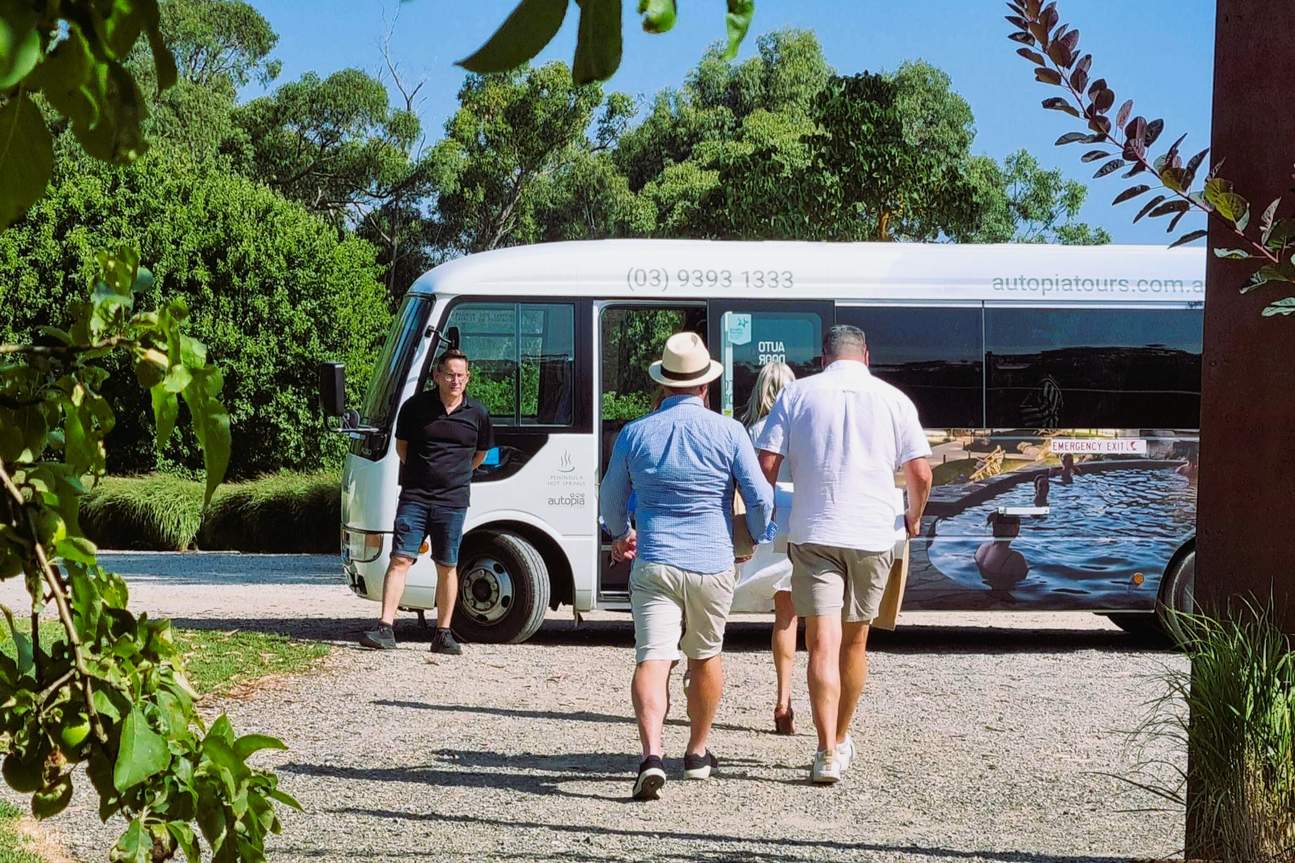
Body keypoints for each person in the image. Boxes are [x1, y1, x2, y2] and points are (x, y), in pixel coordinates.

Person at [599, 332, 774, 801]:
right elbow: (760, 496)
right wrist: (758, 534)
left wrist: (621, 534)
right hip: (712, 562)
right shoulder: (730, 432)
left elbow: (610, 498)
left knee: (652, 657)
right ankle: (697, 753)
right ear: (704, 385)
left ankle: (652, 755)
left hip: (655, 559)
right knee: (706, 655)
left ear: (664, 383)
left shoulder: (635, 433)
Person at [756, 325, 933, 785]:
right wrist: (913, 518)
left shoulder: (796, 395)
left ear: (823, 358)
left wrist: (764, 513)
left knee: (821, 643)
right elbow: (920, 473)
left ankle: (825, 752)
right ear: (866, 356)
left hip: (813, 532)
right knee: (855, 643)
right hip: (872, 535)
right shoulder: (895, 400)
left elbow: (766, 464)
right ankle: (841, 736)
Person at [360, 349, 494, 655]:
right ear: (437, 375)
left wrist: (455, 476)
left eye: (461, 376)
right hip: (415, 498)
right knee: (400, 559)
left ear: (468, 378)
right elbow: (402, 448)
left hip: (453, 502)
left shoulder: (478, 413)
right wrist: (423, 475)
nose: (455, 381)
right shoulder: (415, 407)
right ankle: (385, 628)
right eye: (449, 375)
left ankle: (443, 634)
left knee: (447, 565)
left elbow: (480, 455)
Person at [741, 361, 798, 735]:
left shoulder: (747, 431)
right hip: (794, 525)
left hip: (759, 526)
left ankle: (695, 675)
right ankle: (783, 698)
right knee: (787, 617)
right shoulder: (799, 427)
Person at [975, 512, 1030, 597]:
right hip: (1000, 596)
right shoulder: (1015, 558)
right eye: (1018, 526)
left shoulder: (982, 547)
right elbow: (1023, 584)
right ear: (1013, 528)